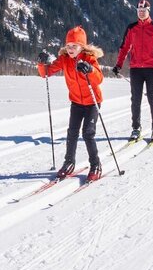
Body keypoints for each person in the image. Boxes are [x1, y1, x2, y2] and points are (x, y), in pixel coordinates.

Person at [38, 26, 105, 181]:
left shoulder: (89, 59)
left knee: (88, 133)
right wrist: (42, 63)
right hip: (76, 102)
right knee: (72, 132)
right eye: (68, 46)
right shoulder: (64, 59)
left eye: (74, 46)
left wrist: (89, 69)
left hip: (92, 101)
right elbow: (46, 73)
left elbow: (99, 79)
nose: (70, 49)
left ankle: (96, 164)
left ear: (82, 47)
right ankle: (69, 162)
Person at [112, 0, 153, 142]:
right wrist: (118, 65)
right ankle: (136, 128)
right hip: (135, 68)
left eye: (143, 10)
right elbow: (124, 48)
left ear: (148, 11)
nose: (141, 12)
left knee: (152, 98)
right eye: (139, 10)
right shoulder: (131, 28)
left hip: (152, 67)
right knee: (135, 99)